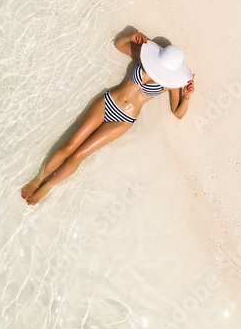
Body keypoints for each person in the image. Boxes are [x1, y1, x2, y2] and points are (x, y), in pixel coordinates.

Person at [21, 31, 195, 205]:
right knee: (70, 146)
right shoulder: (146, 60)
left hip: (124, 120)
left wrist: (186, 97)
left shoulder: (171, 84)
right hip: (108, 102)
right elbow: (119, 44)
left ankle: (47, 186)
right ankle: (39, 178)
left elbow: (178, 113)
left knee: (79, 155)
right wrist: (131, 37)